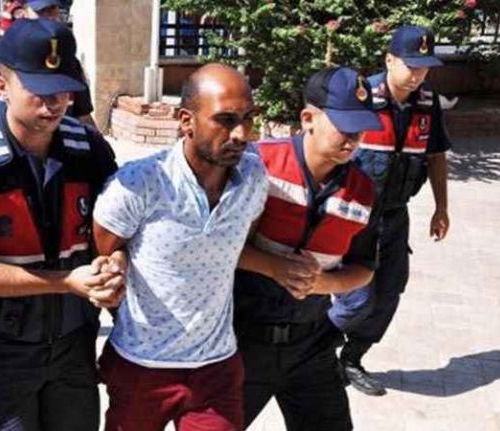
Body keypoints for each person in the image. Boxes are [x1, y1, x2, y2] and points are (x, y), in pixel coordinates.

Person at [0, 18, 123, 431]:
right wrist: (64, 282)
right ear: (1, 87)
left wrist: (114, 264)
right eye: (39, 90)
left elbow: (118, 231)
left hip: (73, 344)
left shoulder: (89, 149)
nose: (54, 103)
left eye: (63, 90)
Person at [93, 63, 268, 431]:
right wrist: (118, 267)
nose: (241, 134)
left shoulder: (253, 178)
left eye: (248, 119)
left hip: (216, 367)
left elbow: (236, 245)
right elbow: (105, 250)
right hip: (142, 367)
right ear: (186, 121)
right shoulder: (140, 183)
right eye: (225, 120)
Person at [234, 67, 382, 430]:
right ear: (308, 119)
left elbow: (364, 267)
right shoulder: (257, 166)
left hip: (311, 344)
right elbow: (214, 246)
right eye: (344, 126)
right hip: (240, 340)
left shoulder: (363, 191)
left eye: (361, 128)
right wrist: (275, 267)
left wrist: (324, 284)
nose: (353, 139)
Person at [330, 25, 452, 397]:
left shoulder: (427, 103)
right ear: (389, 60)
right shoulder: (362, 97)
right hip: (352, 215)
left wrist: (441, 208)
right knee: (353, 295)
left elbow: (436, 157)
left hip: (395, 215)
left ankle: (351, 359)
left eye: (423, 67)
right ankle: (313, 350)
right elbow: (328, 148)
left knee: (389, 291)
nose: (417, 75)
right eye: (410, 65)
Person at [0, 0, 95, 131]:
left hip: (60, 141)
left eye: (52, 9)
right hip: (6, 140)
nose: (48, 17)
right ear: (24, 13)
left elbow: (84, 115)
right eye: (41, 11)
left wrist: (97, 143)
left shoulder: (66, 58)